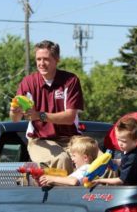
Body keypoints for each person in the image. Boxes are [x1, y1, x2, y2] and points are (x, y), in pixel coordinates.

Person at [10, 40, 84, 174]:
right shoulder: (28, 82)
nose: (41, 63)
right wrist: (14, 111)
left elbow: (69, 117)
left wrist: (39, 115)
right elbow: (15, 119)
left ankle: (102, 194)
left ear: (57, 60)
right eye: (38, 59)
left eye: (46, 59)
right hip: (39, 140)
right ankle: (66, 194)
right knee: (62, 159)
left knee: (100, 158)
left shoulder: (71, 80)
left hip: (71, 140)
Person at [93, 117, 137, 186]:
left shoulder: (133, 157)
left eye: (124, 141)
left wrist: (100, 180)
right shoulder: (129, 150)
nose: (120, 143)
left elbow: (121, 180)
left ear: (136, 141)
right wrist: (113, 161)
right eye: (118, 139)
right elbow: (124, 161)